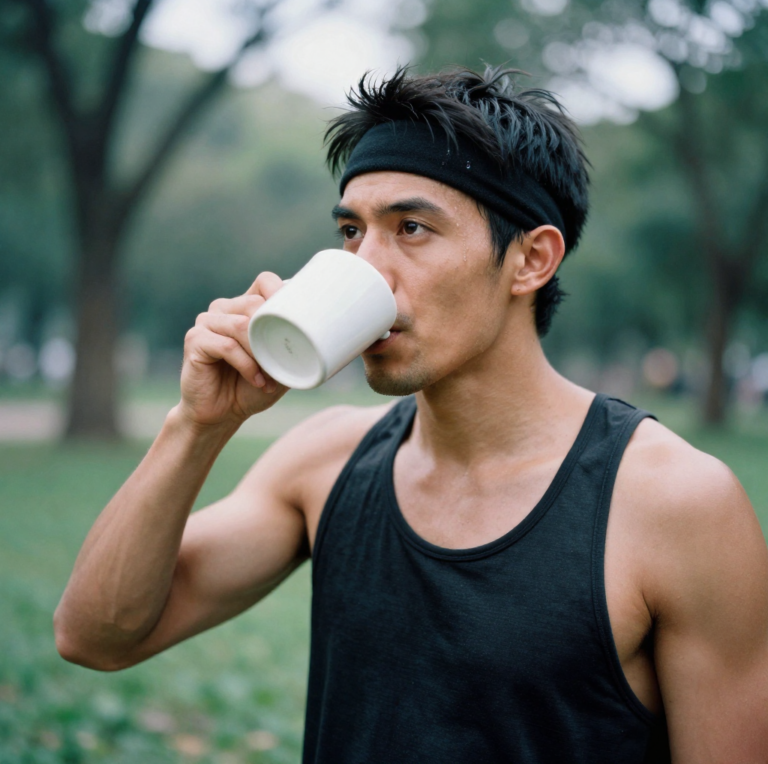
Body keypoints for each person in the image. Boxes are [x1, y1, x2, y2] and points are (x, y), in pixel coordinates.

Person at [54, 66, 768, 763]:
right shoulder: (325, 462)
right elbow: (96, 636)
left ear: (530, 261)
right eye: (351, 231)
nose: (366, 266)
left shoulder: (674, 503)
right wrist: (196, 426)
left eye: (412, 228)